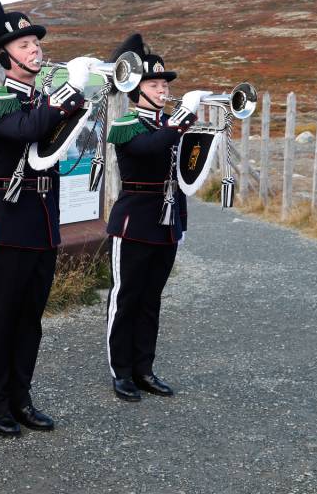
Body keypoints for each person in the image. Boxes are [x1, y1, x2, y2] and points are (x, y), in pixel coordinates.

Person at [0, 0, 95, 437]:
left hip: (43, 222)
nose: (36, 50)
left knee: (31, 317)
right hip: (10, 223)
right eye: (26, 45)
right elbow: (31, 131)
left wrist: (79, 95)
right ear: (5, 57)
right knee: (2, 318)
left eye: (37, 43)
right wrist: (69, 90)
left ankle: (21, 397)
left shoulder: (39, 99)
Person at [104, 33, 208, 402]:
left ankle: (144, 368)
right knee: (127, 298)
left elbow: (187, 167)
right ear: (137, 90)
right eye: (156, 84)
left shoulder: (170, 128)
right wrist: (180, 121)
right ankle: (121, 372)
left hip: (166, 223)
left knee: (152, 300)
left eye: (165, 84)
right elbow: (149, 149)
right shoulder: (127, 125)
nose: (164, 89)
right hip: (134, 224)